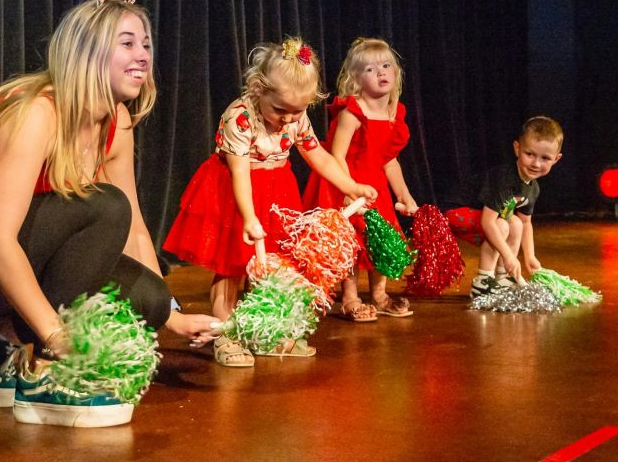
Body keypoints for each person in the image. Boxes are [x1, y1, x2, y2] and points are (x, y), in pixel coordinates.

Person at [0, 0, 220, 427]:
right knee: (102, 205)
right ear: (87, 54)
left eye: (146, 44)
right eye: (127, 43)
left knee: (146, 300)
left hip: (19, 249)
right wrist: (57, 335)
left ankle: (3, 332)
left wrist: (173, 315)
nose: (143, 55)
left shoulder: (117, 122)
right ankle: (42, 364)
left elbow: (132, 229)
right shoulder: (37, 113)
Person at [163, 38, 377, 367]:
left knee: (276, 269)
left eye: (298, 110)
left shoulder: (295, 119)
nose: (289, 119)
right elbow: (239, 172)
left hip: (277, 190)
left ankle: (268, 331)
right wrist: (249, 217)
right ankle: (227, 335)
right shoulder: (240, 117)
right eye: (280, 110)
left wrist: (351, 185)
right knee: (232, 268)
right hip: (237, 192)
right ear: (258, 89)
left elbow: (317, 154)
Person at [302, 37, 417, 322]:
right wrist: (348, 190)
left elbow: (388, 159)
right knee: (350, 241)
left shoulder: (394, 112)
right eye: (370, 69)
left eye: (386, 65)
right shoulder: (352, 111)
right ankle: (350, 298)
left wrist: (404, 194)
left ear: (396, 72)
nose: (381, 72)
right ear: (355, 78)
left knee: (380, 238)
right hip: (344, 181)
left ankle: (379, 295)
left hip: (375, 186)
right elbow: (336, 154)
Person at [443, 116, 563, 298]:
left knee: (514, 223)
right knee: (502, 225)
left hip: (483, 217)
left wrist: (529, 256)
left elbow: (525, 223)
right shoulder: (504, 179)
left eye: (545, 158)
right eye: (529, 154)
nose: (536, 164)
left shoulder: (533, 188)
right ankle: (483, 281)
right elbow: (488, 222)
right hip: (453, 213)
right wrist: (509, 256)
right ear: (517, 148)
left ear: (556, 159)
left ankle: (503, 279)